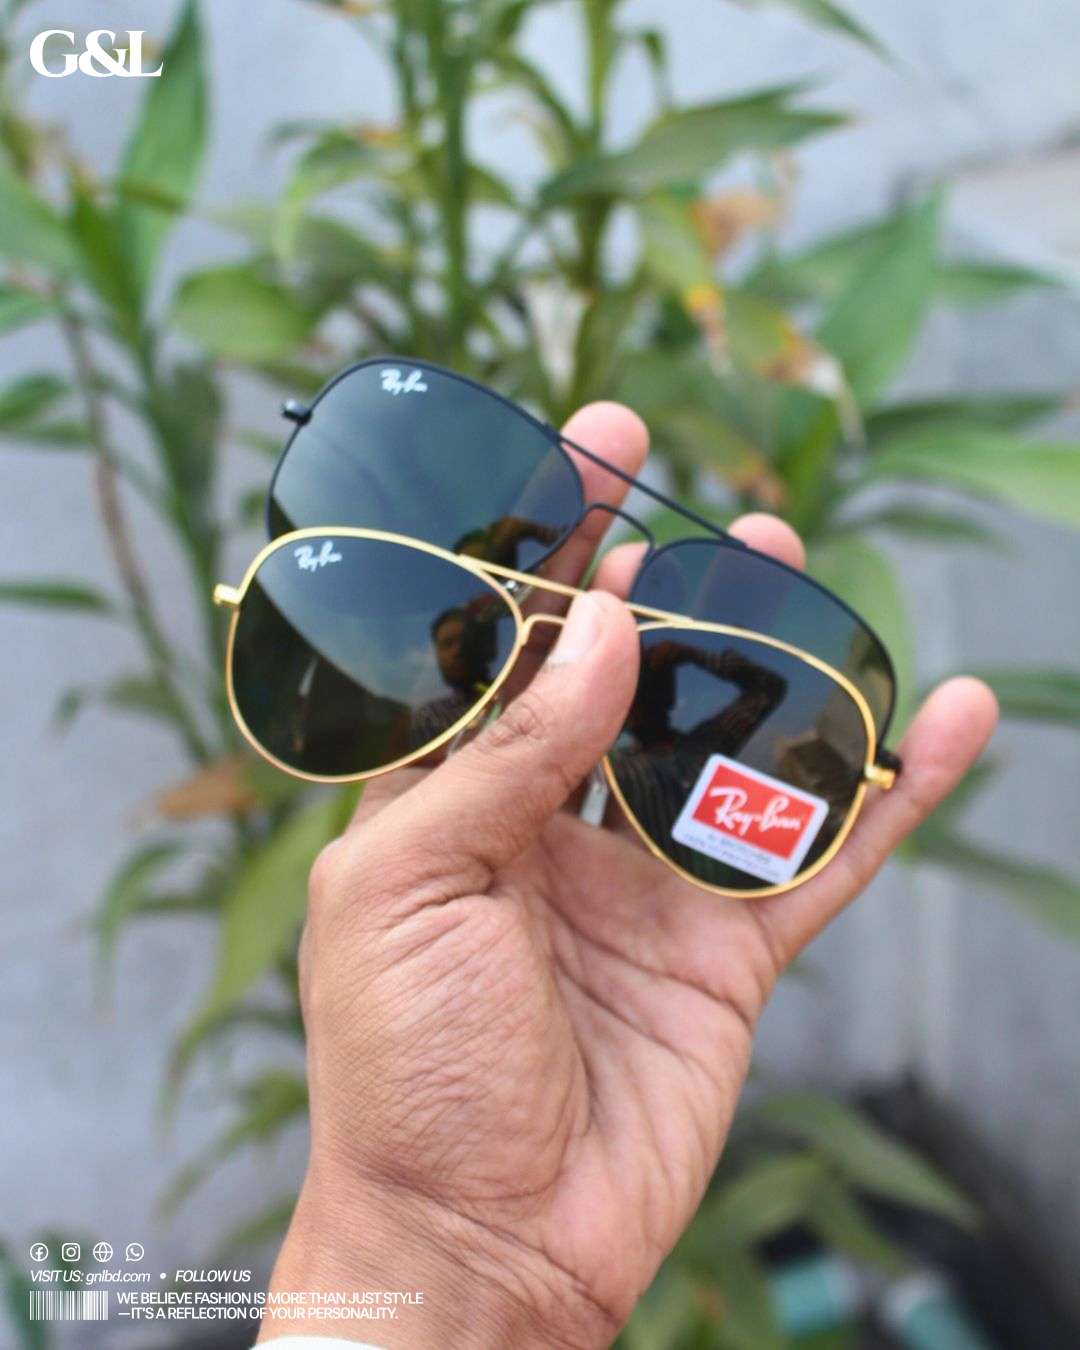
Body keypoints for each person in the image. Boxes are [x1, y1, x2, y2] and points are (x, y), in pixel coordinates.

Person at [253, 402, 998, 1349]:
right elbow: (763, 689)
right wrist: (444, 1235)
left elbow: (763, 693)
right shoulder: (670, 730)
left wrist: (441, 1251)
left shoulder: (679, 741)